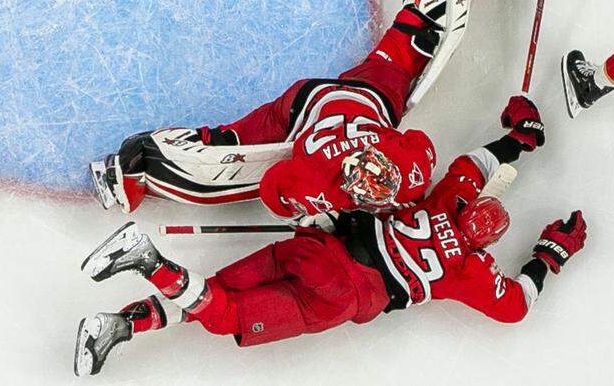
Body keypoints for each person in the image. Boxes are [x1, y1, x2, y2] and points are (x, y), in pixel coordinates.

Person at [89, 0, 545, 225]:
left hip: (346, 98)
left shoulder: (408, 170)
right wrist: (313, 212)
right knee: (231, 153)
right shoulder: (327, 177)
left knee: (407, 50)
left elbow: (420, 144)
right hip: (301, 113)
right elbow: (272, 190)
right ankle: (140, 161)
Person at [73, 135, 586, 376]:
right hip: (338, 295)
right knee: (224, 315)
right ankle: (147, 259)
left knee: (213, 294)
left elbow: (471, 164)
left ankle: (117, 325)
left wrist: (515, 141)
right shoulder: (470, 269)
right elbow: (516, 305)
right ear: (487, 244)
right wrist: (550, 253)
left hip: (315, 248)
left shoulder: (445, 200)